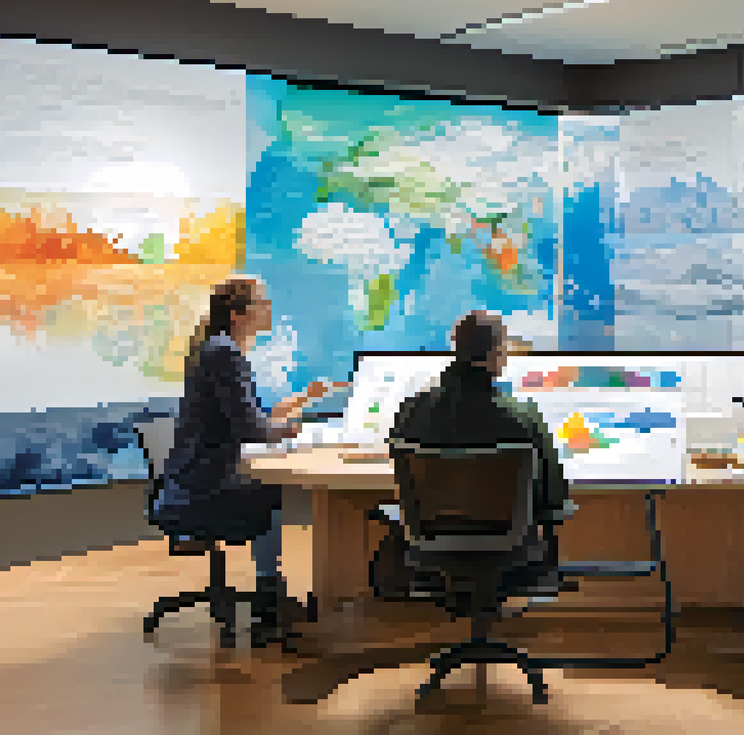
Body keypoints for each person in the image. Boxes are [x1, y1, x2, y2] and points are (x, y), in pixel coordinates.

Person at [149, 276, 335, 648]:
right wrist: (296, 432)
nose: (268, 309)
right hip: (202, 488)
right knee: (268, 492)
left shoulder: (216, 349)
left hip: (188, 480)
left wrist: (300, 403)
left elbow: (251, 417)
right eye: (261, 303)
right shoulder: (225, 354)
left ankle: (271, 591)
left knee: (265, 487)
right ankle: (269, 598)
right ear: (238, 314)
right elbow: (252, 427)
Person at [372, 311, 575, 602]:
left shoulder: (411, 411)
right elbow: (553, 500)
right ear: (496, 354)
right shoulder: (523, 417)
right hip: (510, 549)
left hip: (431, 545)